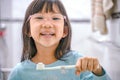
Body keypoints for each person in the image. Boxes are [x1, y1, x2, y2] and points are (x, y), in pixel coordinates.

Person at [8, 0, 111, 80]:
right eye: (39, 18)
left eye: (55, 18)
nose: (47, 24)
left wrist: (98, 71)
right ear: (28, 30)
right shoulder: (19, 73)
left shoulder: (79, 64)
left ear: (65, 31)